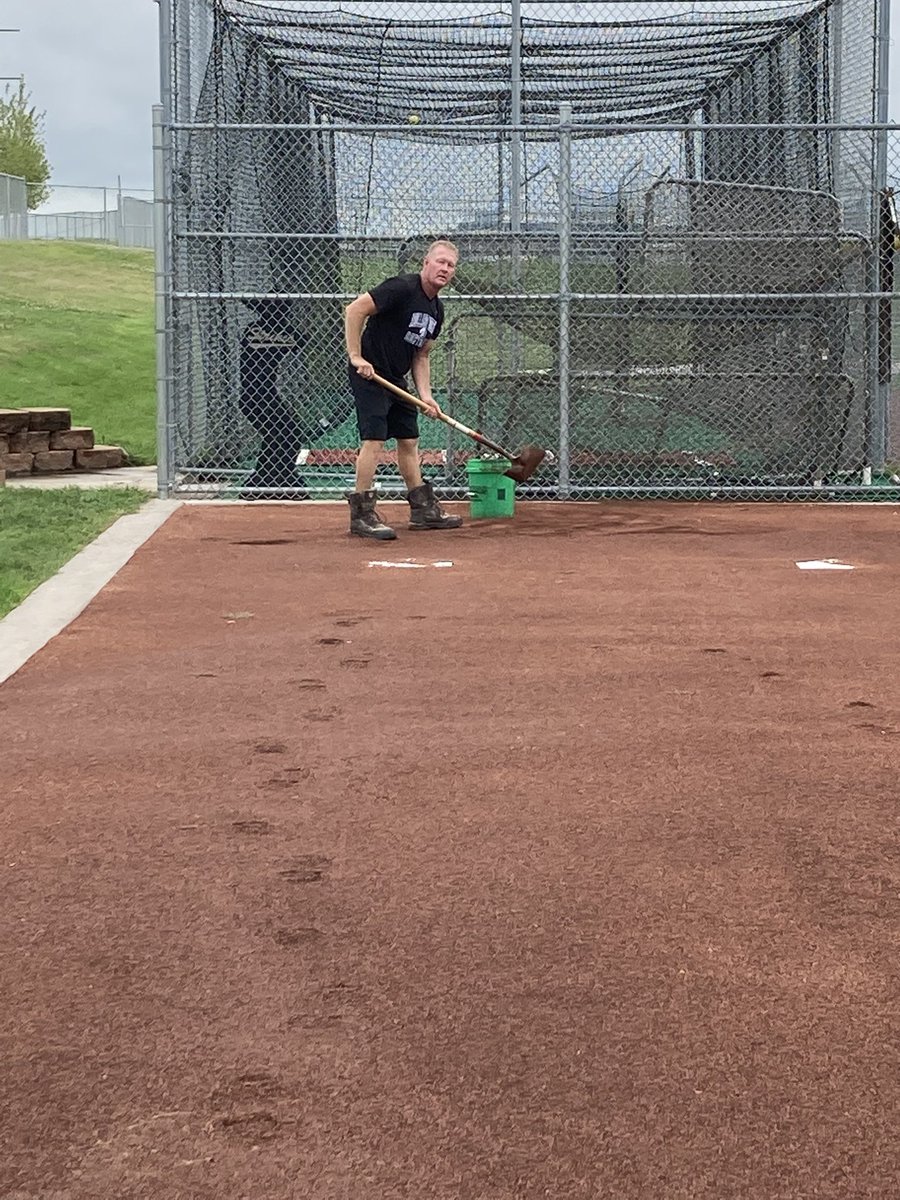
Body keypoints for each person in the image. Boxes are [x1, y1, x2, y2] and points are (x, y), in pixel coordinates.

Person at [343, 240, 464, 540]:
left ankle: (423, 509)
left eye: (450, 265)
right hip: (369, 373)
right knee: (374, 439)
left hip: (396, 378)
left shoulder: (437, 310)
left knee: (409, 440)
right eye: (440, 262)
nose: (445, 269)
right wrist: (356, 356)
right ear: (425, 263)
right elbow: (355, 310)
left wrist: (426, 396)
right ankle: (362, 514)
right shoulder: (401, 288)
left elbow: (421, 355)